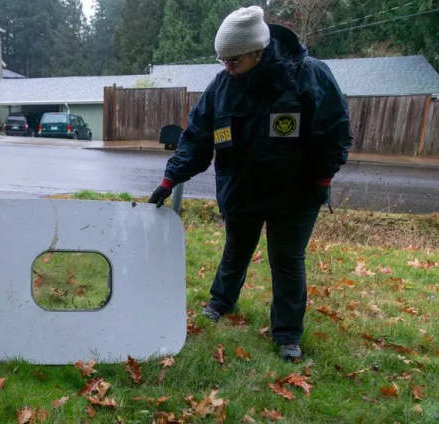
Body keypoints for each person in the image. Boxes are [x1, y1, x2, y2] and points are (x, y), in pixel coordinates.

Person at [148, 6, 352, 361]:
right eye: (222, 60)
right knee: (236, 250)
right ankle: (220, 302)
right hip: (241, 189)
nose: (226, 67)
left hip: (295, 193)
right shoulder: (222, 86)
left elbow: (335, 130)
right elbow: (197, 136)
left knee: (287, 260)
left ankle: (287, 334)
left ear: (257, 52)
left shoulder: (307, 75)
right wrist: (171, 177)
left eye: (234, 60)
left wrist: (323, 175)